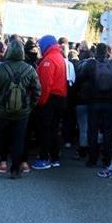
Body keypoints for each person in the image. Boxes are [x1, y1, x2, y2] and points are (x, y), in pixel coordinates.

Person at [0, 39, 40, 179]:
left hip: (2, 111)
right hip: (22, 112)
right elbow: (37, 91)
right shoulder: (30, 69)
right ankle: (15, 170)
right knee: (18, 141)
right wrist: (29, 106)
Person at [80, 42, 112, 169]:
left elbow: (80, 78)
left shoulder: (90, 64)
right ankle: (106, 159)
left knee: (93, 130)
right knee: (108, 132)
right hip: (109, 102)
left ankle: (92, 159)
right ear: (107, 51)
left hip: (94, 102)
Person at [33, 35, 68, 170]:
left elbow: (46, 84)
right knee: (54, 129)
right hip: (60, 98)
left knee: (45, 129)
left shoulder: (49, 60)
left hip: (50, 99)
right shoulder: (59, 57)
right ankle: (54, 158)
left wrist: (41, 101)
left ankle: (44, 158)